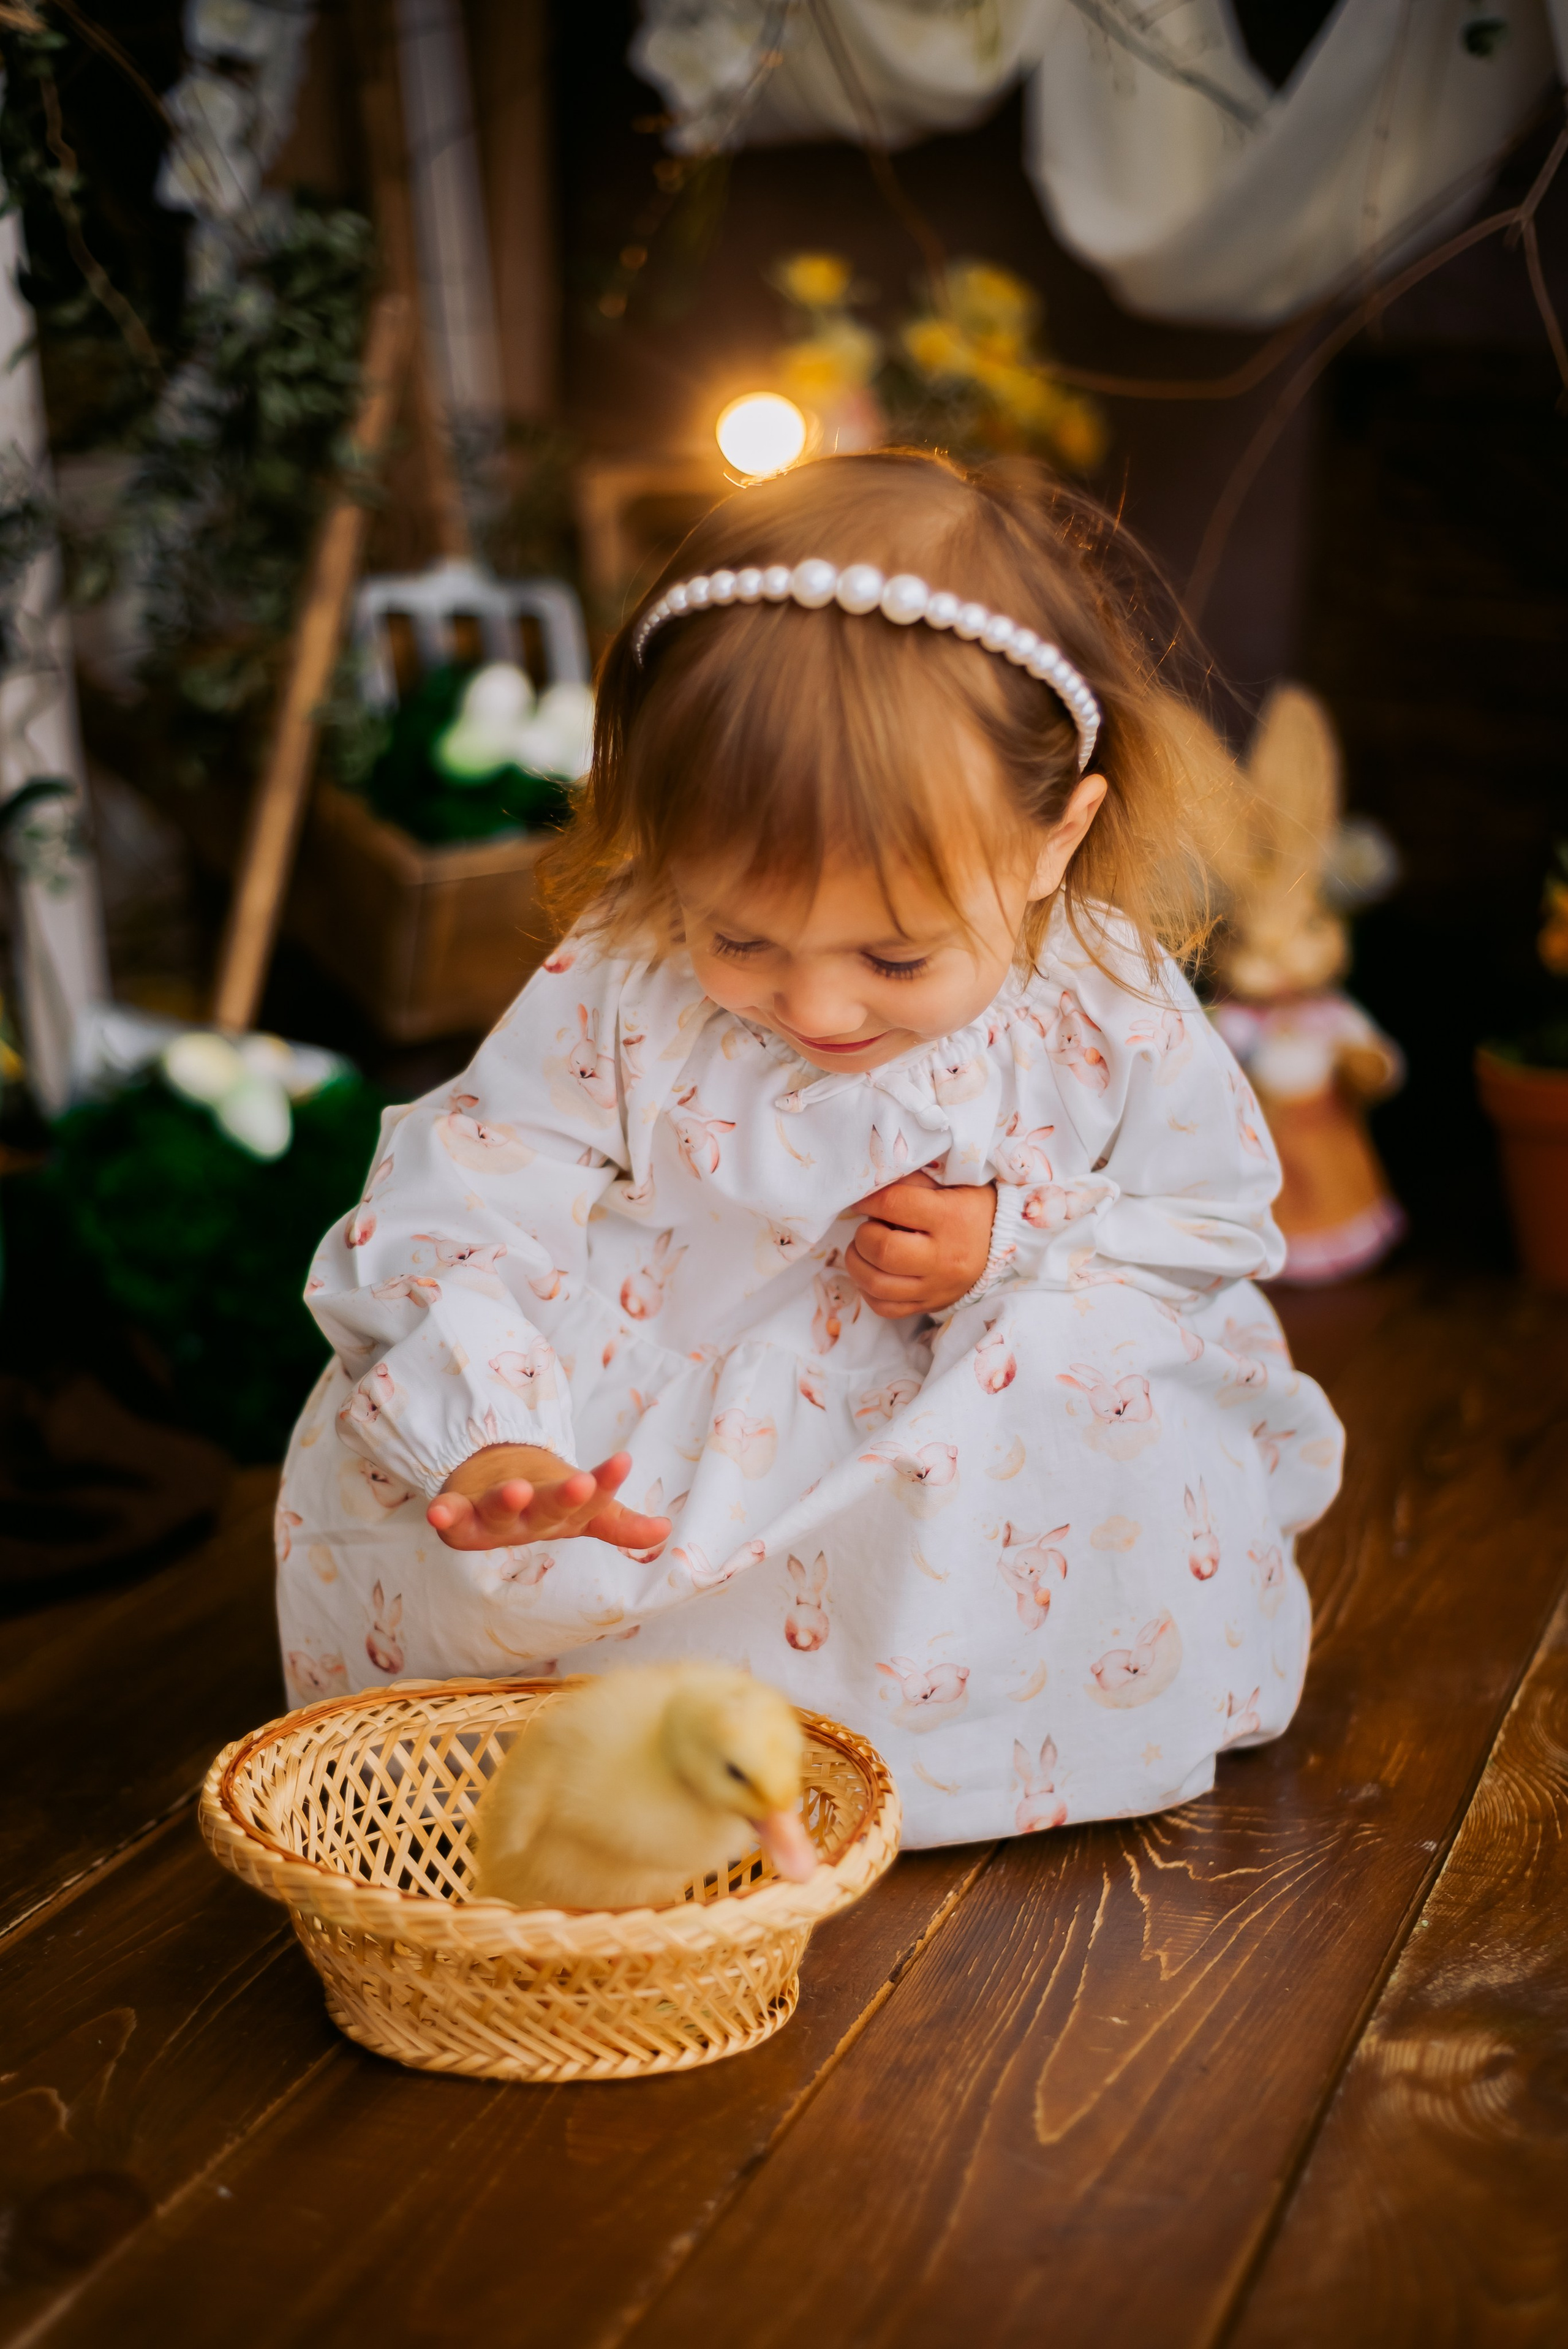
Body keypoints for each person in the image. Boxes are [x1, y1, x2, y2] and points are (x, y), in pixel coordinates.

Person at [277, 451, 1343, 1848]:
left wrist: (1006, 1241)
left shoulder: (1100, 999)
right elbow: (472, 1186)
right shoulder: (627, 972)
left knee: (1093, 1367)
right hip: (670, 1429)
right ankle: (649, 1735)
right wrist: (495, 1426)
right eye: (742, 937)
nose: (818, 1006)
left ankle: (968, 1729)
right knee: (475, 1530)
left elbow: (1205, 1220)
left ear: (1051, 838)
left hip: (970, 1439)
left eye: (894, 954)